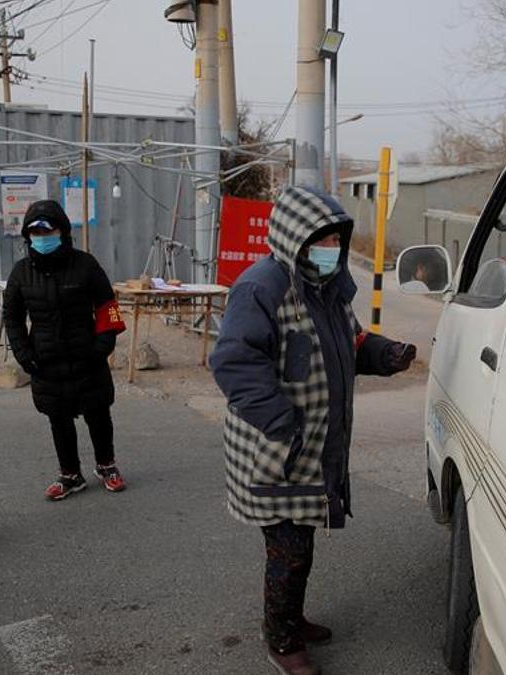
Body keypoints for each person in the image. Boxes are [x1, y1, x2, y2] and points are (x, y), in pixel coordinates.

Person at [209, 185, 417, 675]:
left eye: (335, 240)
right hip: (276, 448)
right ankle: (281, 641)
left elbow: (350, 341)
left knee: (299, 542)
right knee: (290, 548)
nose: (330, 250)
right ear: (292, 238)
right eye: (319, 240)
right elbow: (234, 362)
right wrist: (282, 421)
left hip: (307, 448)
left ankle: (291, 619)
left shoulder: (327, 290)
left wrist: (385, 354)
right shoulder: (262, 287)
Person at [2, 199, 128, 500]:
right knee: (58, 419)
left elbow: (108, 306)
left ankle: (106, 465)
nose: (42, 237)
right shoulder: (20, 273)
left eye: (48, 230)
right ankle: (70, 474)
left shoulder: (86, 264)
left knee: (98, 414)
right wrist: (23, 353)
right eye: (36, 232)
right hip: (45, 360)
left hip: (88, 356)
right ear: (27, 236)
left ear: (62, 231)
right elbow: (13, 317)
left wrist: (103, 345)